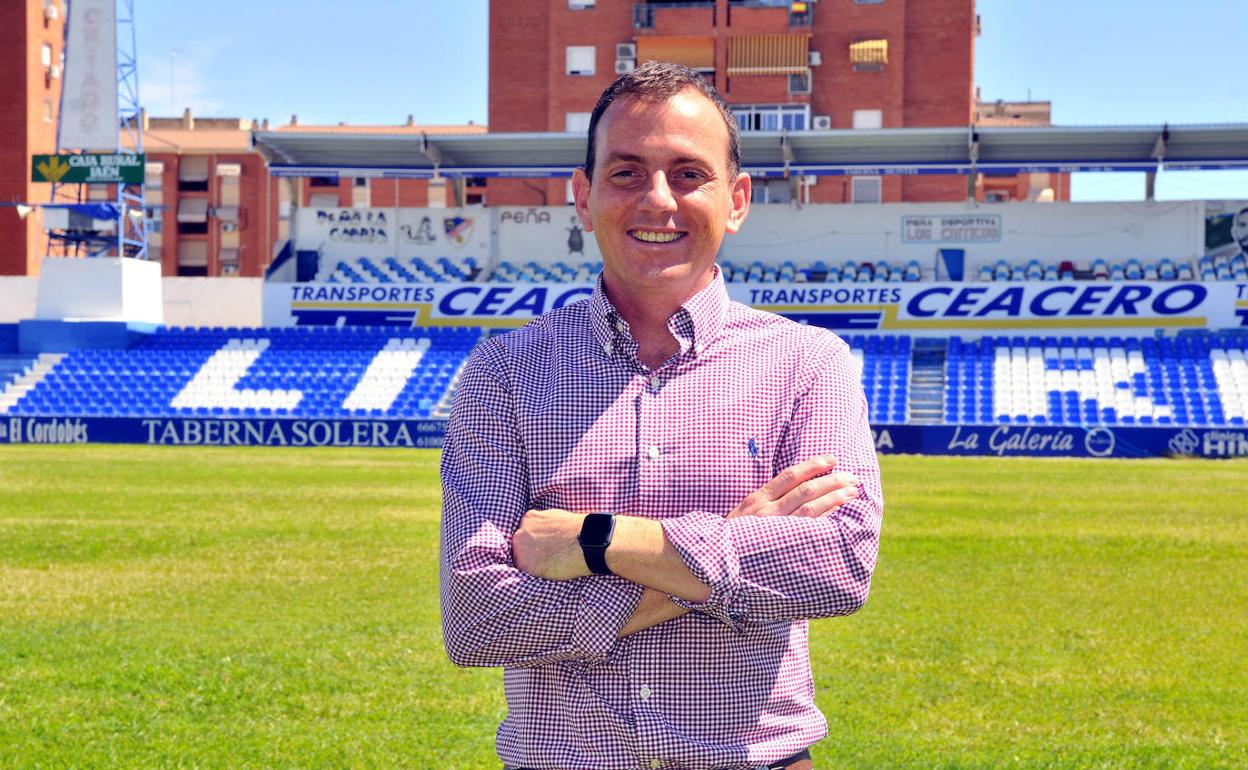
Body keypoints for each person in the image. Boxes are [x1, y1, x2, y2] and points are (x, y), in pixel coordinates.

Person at [440, 61, 884, 770]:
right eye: (625, 173)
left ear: (736, 199)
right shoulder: (506, 374)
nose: (657, 200)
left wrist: (596, 543)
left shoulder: (808, 363)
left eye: (687, 173)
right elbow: (478, 620)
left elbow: (838, 567)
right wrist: (733, 550)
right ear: (582, 197)